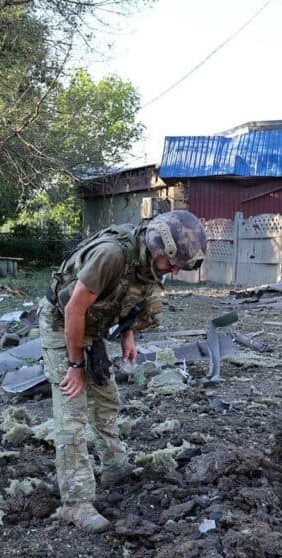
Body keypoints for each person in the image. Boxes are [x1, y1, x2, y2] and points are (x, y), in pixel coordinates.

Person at [39, 210, 208, 532]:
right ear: (159, 249)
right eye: (172, 263)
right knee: (72, 412)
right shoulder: (112, 255)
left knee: (107, 398)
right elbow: (74, 308)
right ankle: (76, 502)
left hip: (94, 324)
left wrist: (127, 333)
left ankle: (114, 466)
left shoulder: (148, 262)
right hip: (64, 321)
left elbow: (129, 296)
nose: (174, 270)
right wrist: (76, 366)